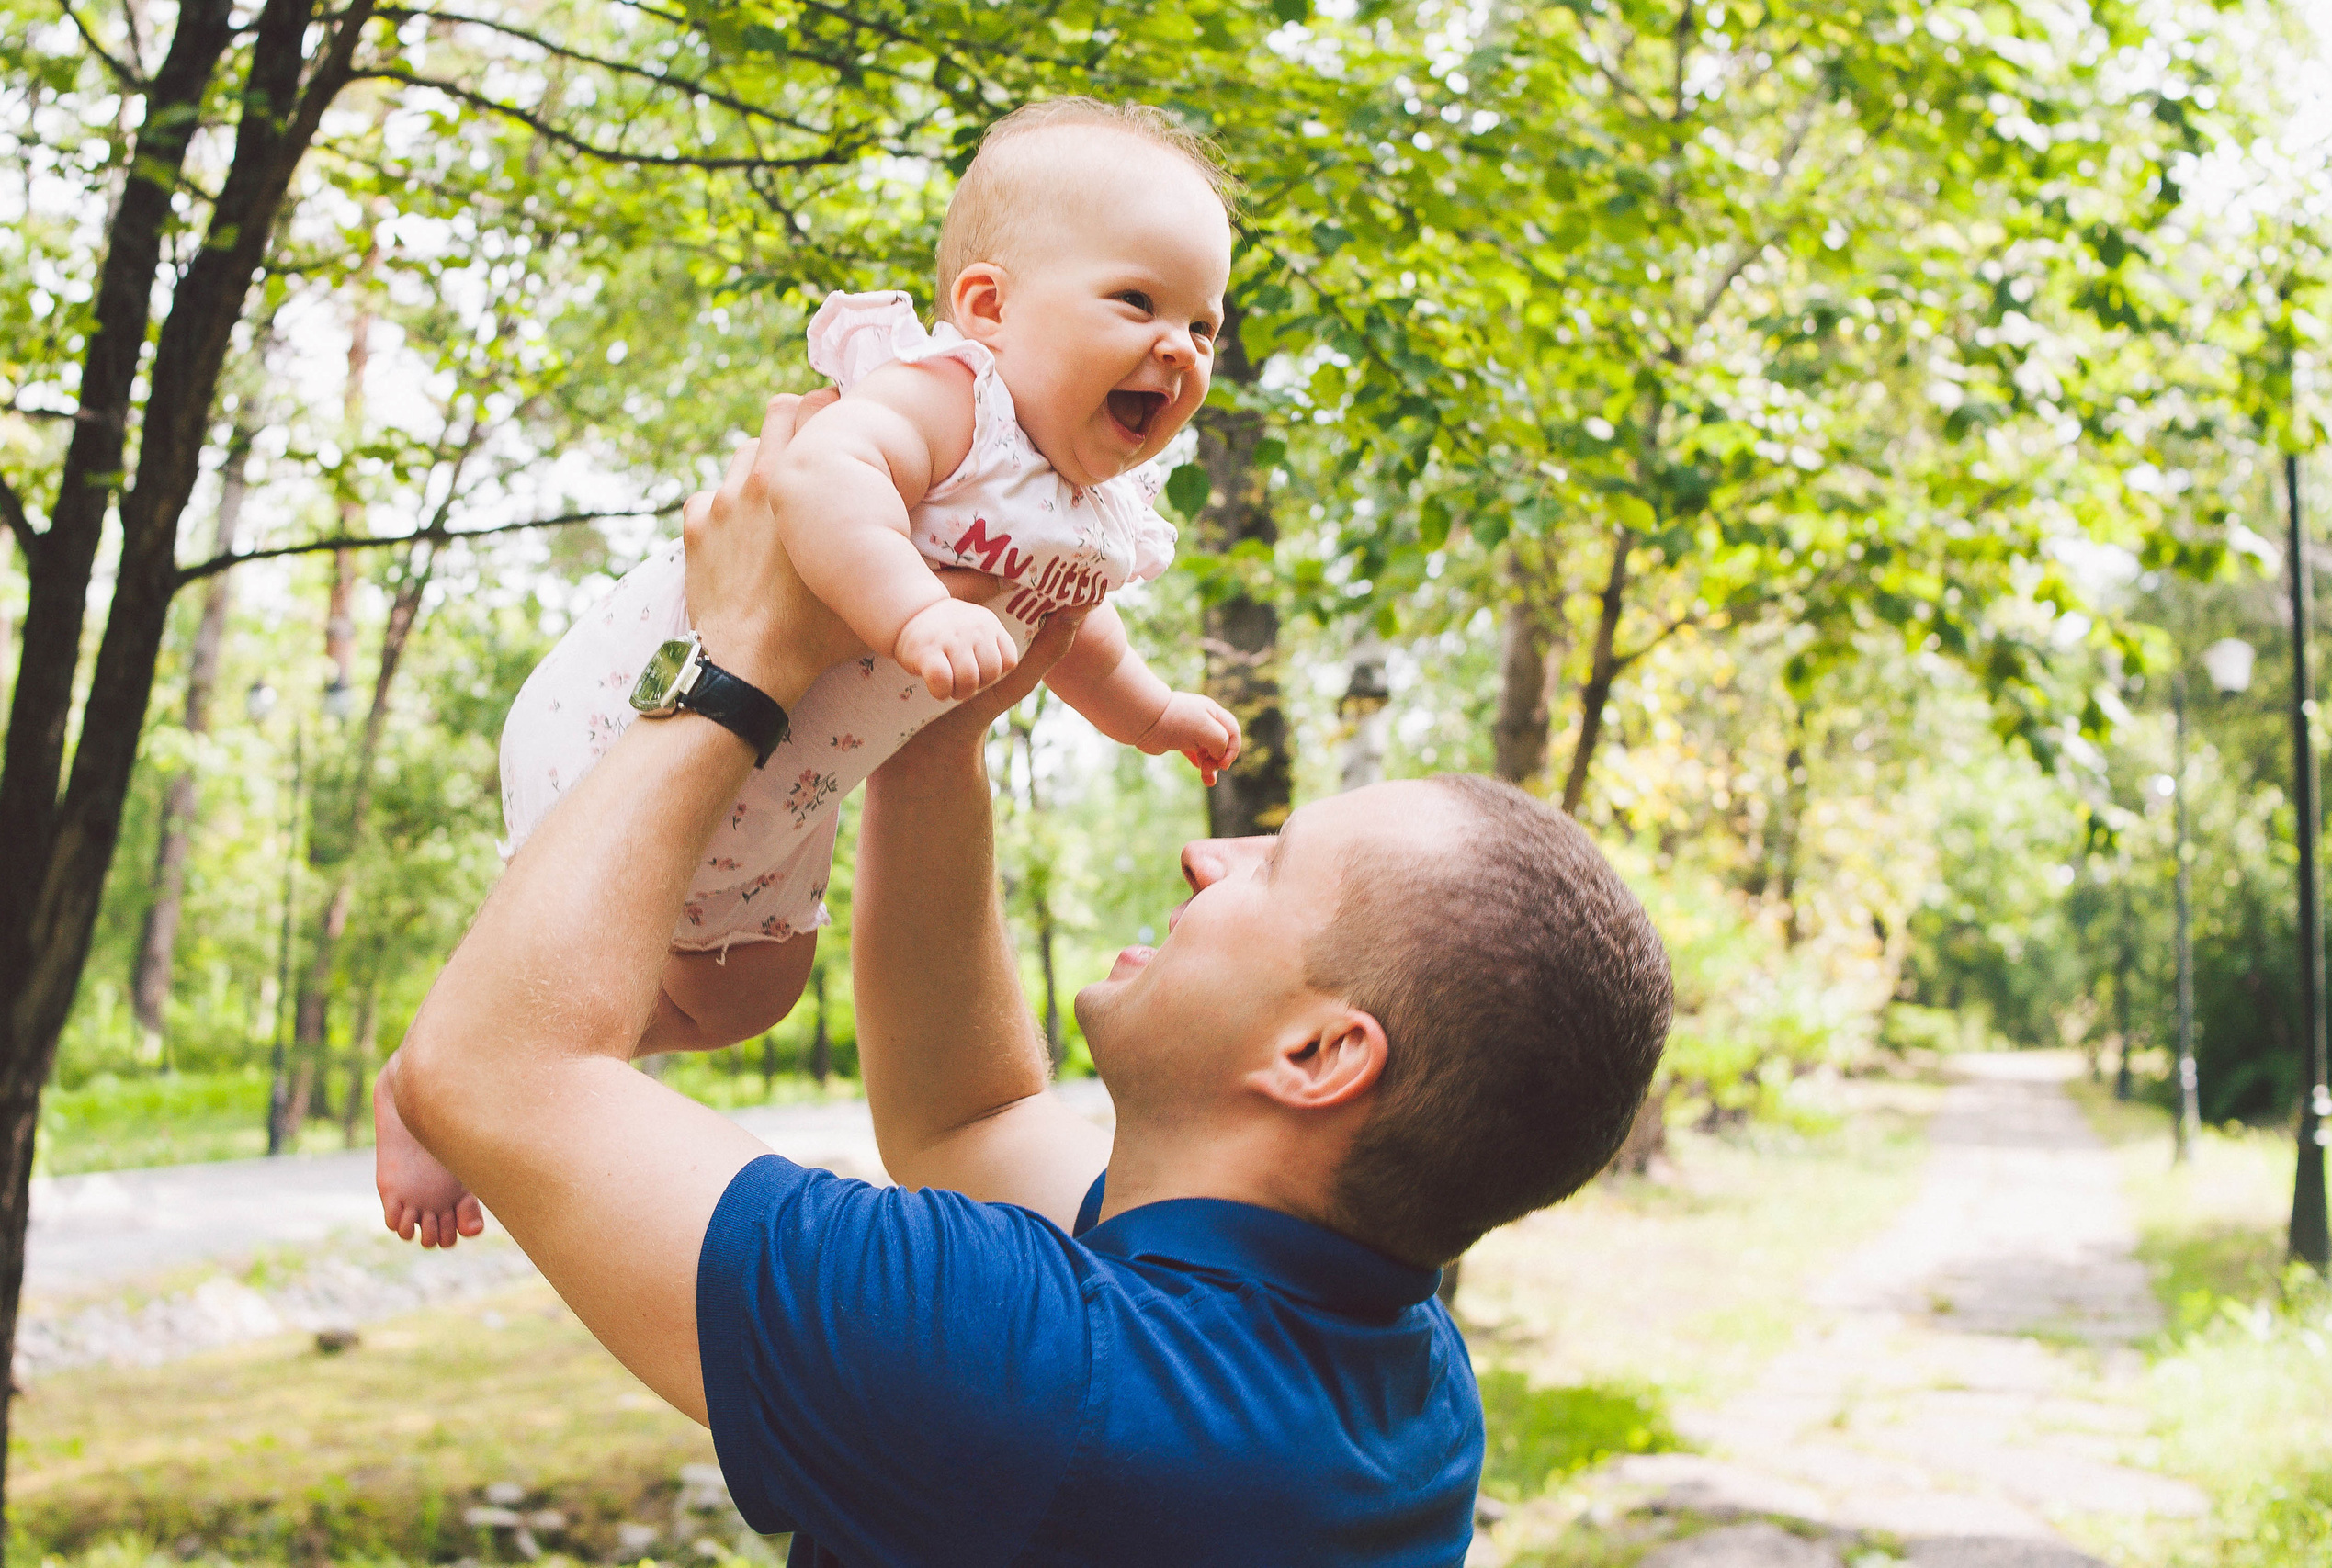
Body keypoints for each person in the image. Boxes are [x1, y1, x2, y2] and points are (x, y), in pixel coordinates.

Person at [387, 381, 1676, 1564]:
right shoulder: (1392, 1377)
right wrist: (934, 747)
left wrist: (744, 659)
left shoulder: (1043, 1381)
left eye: (1272, 867)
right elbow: (969, 1118)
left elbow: (492, 1072)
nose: (1203, 853)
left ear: (1320, 1054)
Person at [376, 97, 1244, 1245]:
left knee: (751, 994)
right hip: (649, 709)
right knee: (598, 953)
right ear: (987, 308)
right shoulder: (954, 403)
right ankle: (433, 1077)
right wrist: (912, 608)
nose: (1178, 348)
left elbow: (1072, 630)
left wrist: (1150, 711)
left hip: (781, 793)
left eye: (1205, 325)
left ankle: (498, 1053)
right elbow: (824, 478)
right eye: (1137, 302)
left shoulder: (1093, 512)